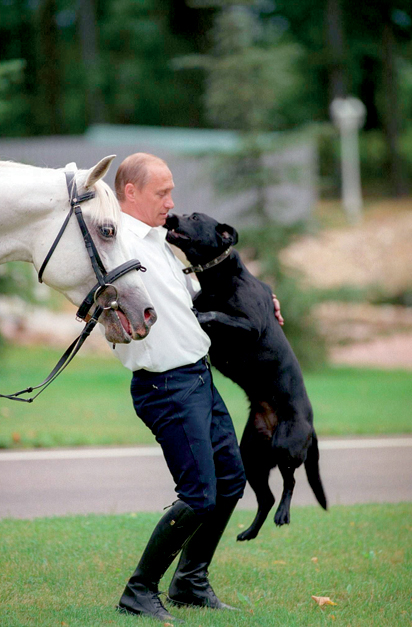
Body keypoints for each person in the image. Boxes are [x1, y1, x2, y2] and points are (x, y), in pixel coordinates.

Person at [111, 152, 282, 622]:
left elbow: (204, 294)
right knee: (199, 493)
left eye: (171, 191)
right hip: (164, 386)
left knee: (230, 482)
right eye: (161, 192)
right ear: (130, 192)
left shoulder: (162, 244)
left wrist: (260, 298)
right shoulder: (118, 243)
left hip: (199, 378)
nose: (171, 201)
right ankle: (139, 591)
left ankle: (190, 581)